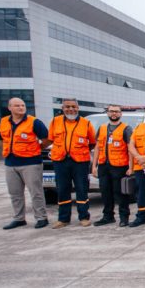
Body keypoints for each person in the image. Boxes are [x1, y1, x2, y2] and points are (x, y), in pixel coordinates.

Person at [0, 97, 51, 230]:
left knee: (36, 192)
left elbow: (47, 139)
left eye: (22, 105)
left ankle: (41, 217)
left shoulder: (34, 122)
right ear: (9, 108)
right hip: (10, 163)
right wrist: (7, 149)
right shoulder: (3, 122)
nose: (21, 108)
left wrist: (37, 148)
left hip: (31, 162)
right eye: (17, 106)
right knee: (15, 193)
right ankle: (19, 218)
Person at [48, 98, 96, 229]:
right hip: (60, 161)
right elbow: (50, 139)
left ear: (78, 108)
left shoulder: (86, 123)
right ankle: (63, 219)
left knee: (82, 189)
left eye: (73, 106)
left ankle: (84, 217)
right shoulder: (55, 122)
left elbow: (92, 142)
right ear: (62, 108)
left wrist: (79, 150)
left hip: (80, 161)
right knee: (62, 189)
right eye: (67, 107)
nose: (71, 109)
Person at [91, 104, 133, 227]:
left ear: (120, 113)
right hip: (104, 166)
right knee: (105, 192)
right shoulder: (102, 128)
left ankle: (124, 217)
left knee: (120, 193)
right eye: (111, 111)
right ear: (107, 113)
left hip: (120, 166)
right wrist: (94, 165)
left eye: (116, 111)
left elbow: (130, 149)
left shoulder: (126, 129)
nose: (114, 113)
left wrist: (131, 167)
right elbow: (98, 147)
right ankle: (108, 216)